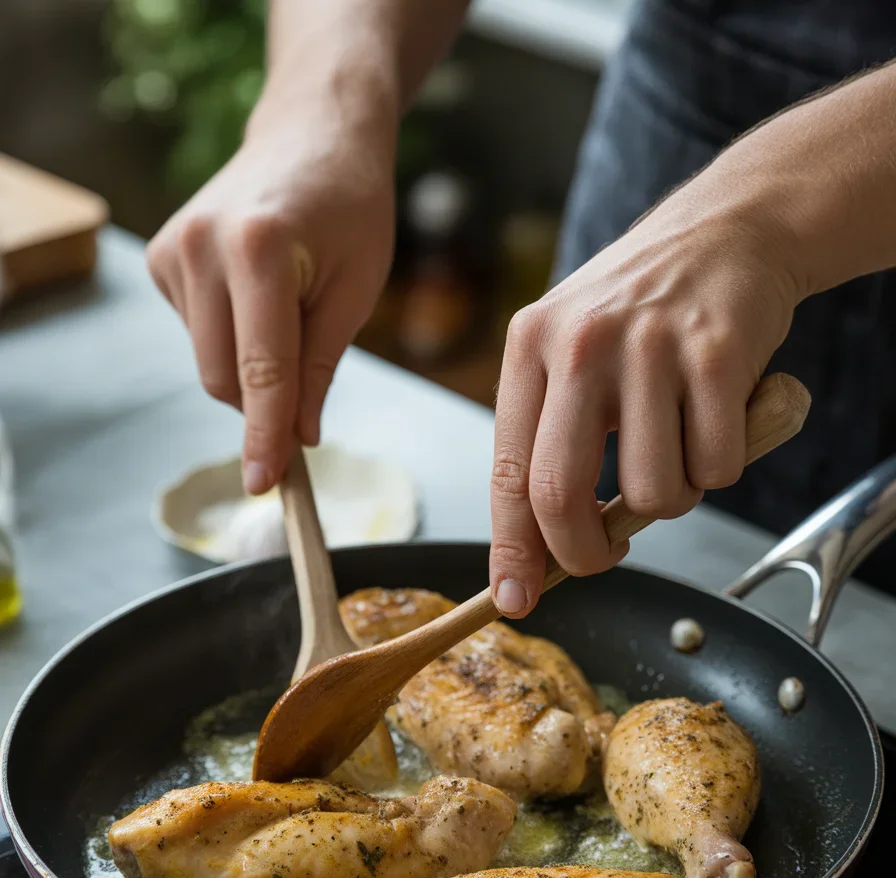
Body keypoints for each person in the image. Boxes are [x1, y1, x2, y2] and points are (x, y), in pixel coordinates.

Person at [146, 0, 896, 618]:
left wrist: (761, 217)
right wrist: (322, 108)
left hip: (756, 204)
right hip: (687, 138)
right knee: (591, 539)